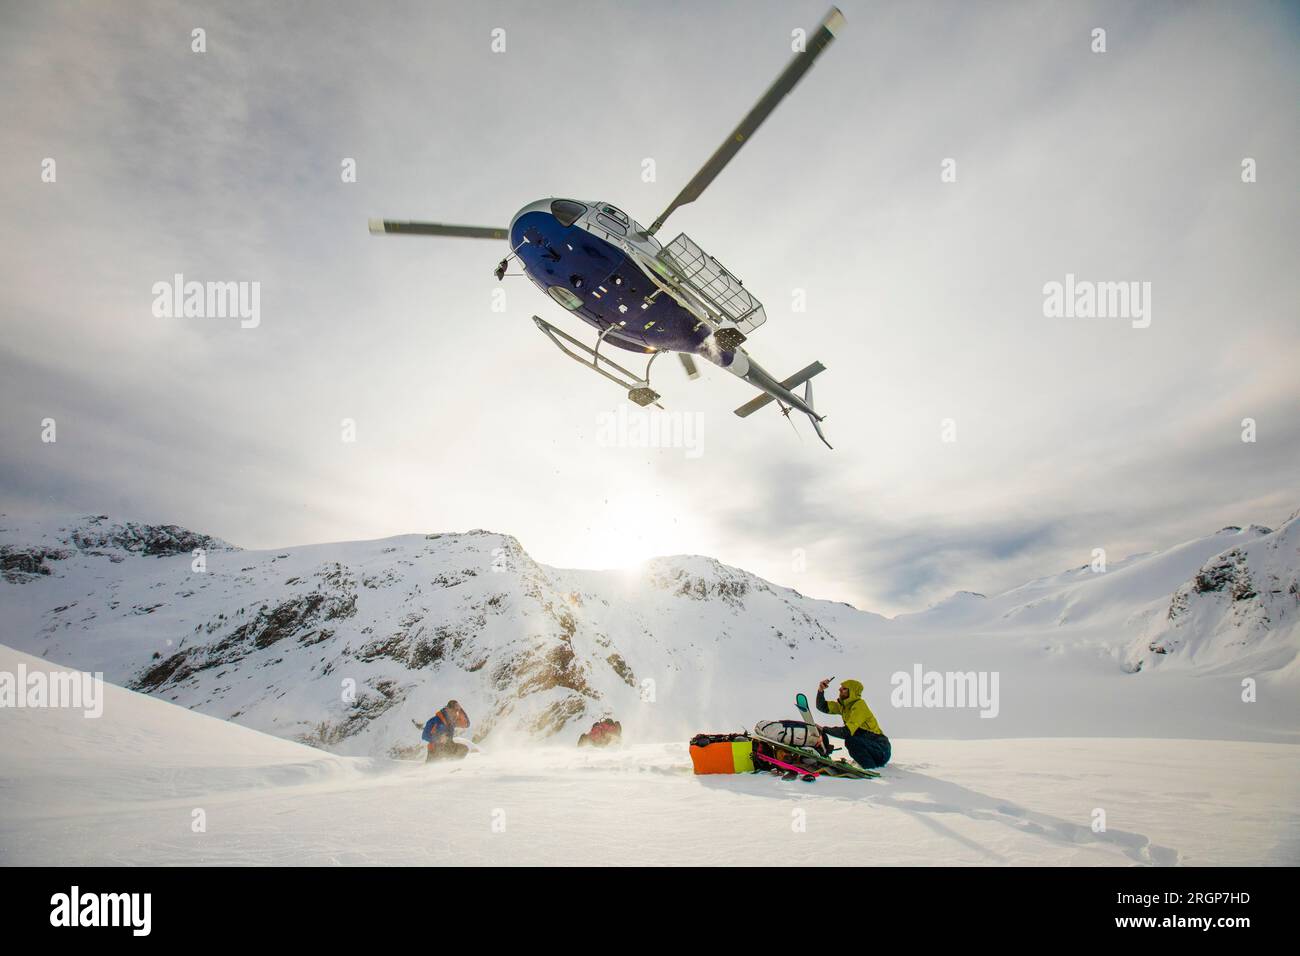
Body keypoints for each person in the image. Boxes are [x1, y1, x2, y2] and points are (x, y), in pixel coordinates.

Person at [815, 678, 890, 769]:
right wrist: (821, 690)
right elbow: (822, 706)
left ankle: (869, 768)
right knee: (852, 740)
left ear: (852, 692)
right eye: (841, 688)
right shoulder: (844, 706)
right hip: (868, 746)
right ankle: (864, 765)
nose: (840, 690)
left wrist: (824, 729)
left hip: (880, 748)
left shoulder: (859, 705)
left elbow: (846, 732)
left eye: (844, 688)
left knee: (851, 740)